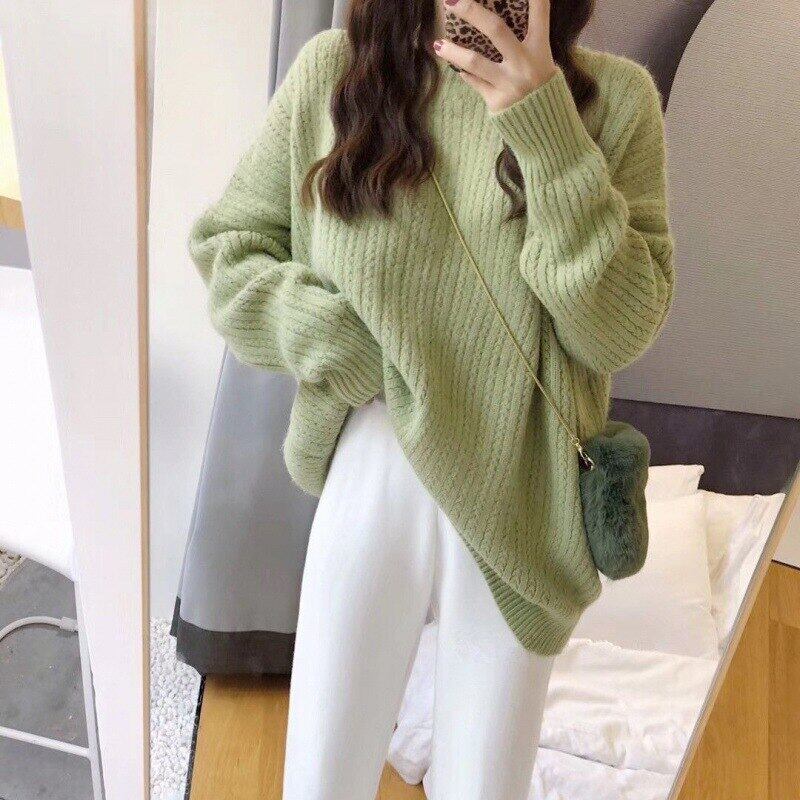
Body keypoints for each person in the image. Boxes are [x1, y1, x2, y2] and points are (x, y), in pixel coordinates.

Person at [189, 0, 675, 797]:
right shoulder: (335, 74)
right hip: (375, 460)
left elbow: (613, 332)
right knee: (320, 775)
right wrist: (331, 339)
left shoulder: (615, 104)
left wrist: (545, 125)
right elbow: (230, 248)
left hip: (522, 487)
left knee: (485, 782)